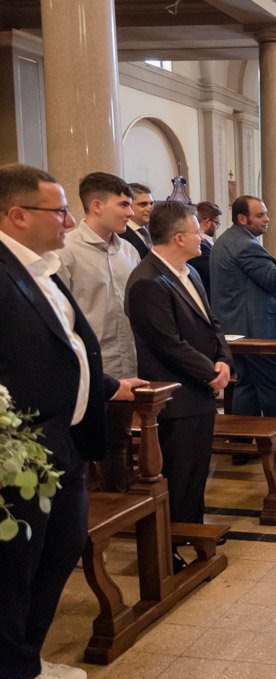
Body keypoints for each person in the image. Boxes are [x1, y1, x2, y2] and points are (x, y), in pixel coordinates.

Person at [0, 164, 143, 679]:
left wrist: (107, 385)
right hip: (21, 448)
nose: (67, 220)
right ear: (18, 215)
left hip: (65, 440)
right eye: (58, 211)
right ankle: (15, 669)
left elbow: (67, 348)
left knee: (59, 551)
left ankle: (27, 660)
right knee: (16, 568)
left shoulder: (41, 267)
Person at [126, 201, 232, 572]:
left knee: (195, 470)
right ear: (178, 238)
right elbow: (167, 343)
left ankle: (191, 529)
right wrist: (210, 372)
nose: (202, 236)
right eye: (196, 231)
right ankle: (166, 547)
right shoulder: (147, 281)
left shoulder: (189, 273)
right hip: (174, 396)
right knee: (177, 470)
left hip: (198, 390)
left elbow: (212, 322)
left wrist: (223, 360)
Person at [57, 171, 140, 493]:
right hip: (90, 368)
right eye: (123, 205)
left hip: (125, 365)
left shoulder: (128, 251)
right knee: (84, 452)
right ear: (97, 205)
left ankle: (119, 508)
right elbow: (61, 319)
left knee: (118, 444)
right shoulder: (67, 251)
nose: (130, 212)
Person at [210, 195, 276, 418]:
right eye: (260, 215)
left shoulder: (228, 240)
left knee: (248, 387)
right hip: (258, 331)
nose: (267, 219)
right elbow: (273, 280)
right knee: (272, 387)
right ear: (242, 218)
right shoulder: (244, 245)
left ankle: (244, 439)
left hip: (239, 329)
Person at [188, 200, 221, 293]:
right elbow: (215, 273)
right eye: (217, 223)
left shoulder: (206, 243)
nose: (217, 227)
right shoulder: (200, 246)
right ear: (207, 222)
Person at [122, 182, 154, 258]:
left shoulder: (154, 230)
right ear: (128, 205)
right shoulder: (120, 234)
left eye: (151, 204)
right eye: (143, 204)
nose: (150, 209)